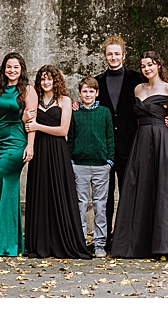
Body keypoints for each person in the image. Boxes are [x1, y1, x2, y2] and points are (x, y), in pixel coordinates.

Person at [110, 51, 168, 258]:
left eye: (150, 65)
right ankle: (138, 244)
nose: (146, 69)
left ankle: (165, 244)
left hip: (161, 143)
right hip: (140, 142)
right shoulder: (138, 88)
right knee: (140, 189)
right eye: (143, 66)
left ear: (158, 65)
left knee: (163, 190)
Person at [22, 65, 92, 259]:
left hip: (58, 150)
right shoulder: (34, 98)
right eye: (43, 79)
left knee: (59, 193)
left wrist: (37, 125)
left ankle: (62, 241)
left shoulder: (65, 100)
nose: (46, 82)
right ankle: (40, 243)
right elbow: (27, 123)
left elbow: (63, 131)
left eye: (49, 79)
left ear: (56, 81)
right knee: (41, 193)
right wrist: (27, 123)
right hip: (40, 151)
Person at [91, 35, 145, 250]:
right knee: (104, 198)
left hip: (129, 145)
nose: (113, 57)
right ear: (105, 56)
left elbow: (149, 101)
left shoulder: (136, 79)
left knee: (128, 194)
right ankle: (105, 239)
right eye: (109, 54)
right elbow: (88, 102)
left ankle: (127, 239)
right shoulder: (97, 81)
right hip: (105, 148)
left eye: (117, 53)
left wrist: (163, 115)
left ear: (123, 55)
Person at [0, 52, 34, 257]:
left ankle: (1, 244)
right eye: (9, 67)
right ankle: (9, 243)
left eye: (16, 67)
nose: (12, 70)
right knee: (7, 191)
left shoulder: (28, 90)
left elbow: (31, 122)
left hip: (16, 144)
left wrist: (30, 146)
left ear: (22, 70)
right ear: (4, 69)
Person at [69, 76, 115, 257]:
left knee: (100, 206)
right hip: (79, 165)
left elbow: (110, 137)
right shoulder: (75, 113)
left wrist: (110, 160)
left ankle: (99, 244)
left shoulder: (104, 112)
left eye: (91, 91)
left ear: (97, 93)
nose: (88, 94)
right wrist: (71, 160)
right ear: (79, 93)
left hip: (101, 166)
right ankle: (81, 242)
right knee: (80, 205)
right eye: (84, 91)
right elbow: (70, 138)